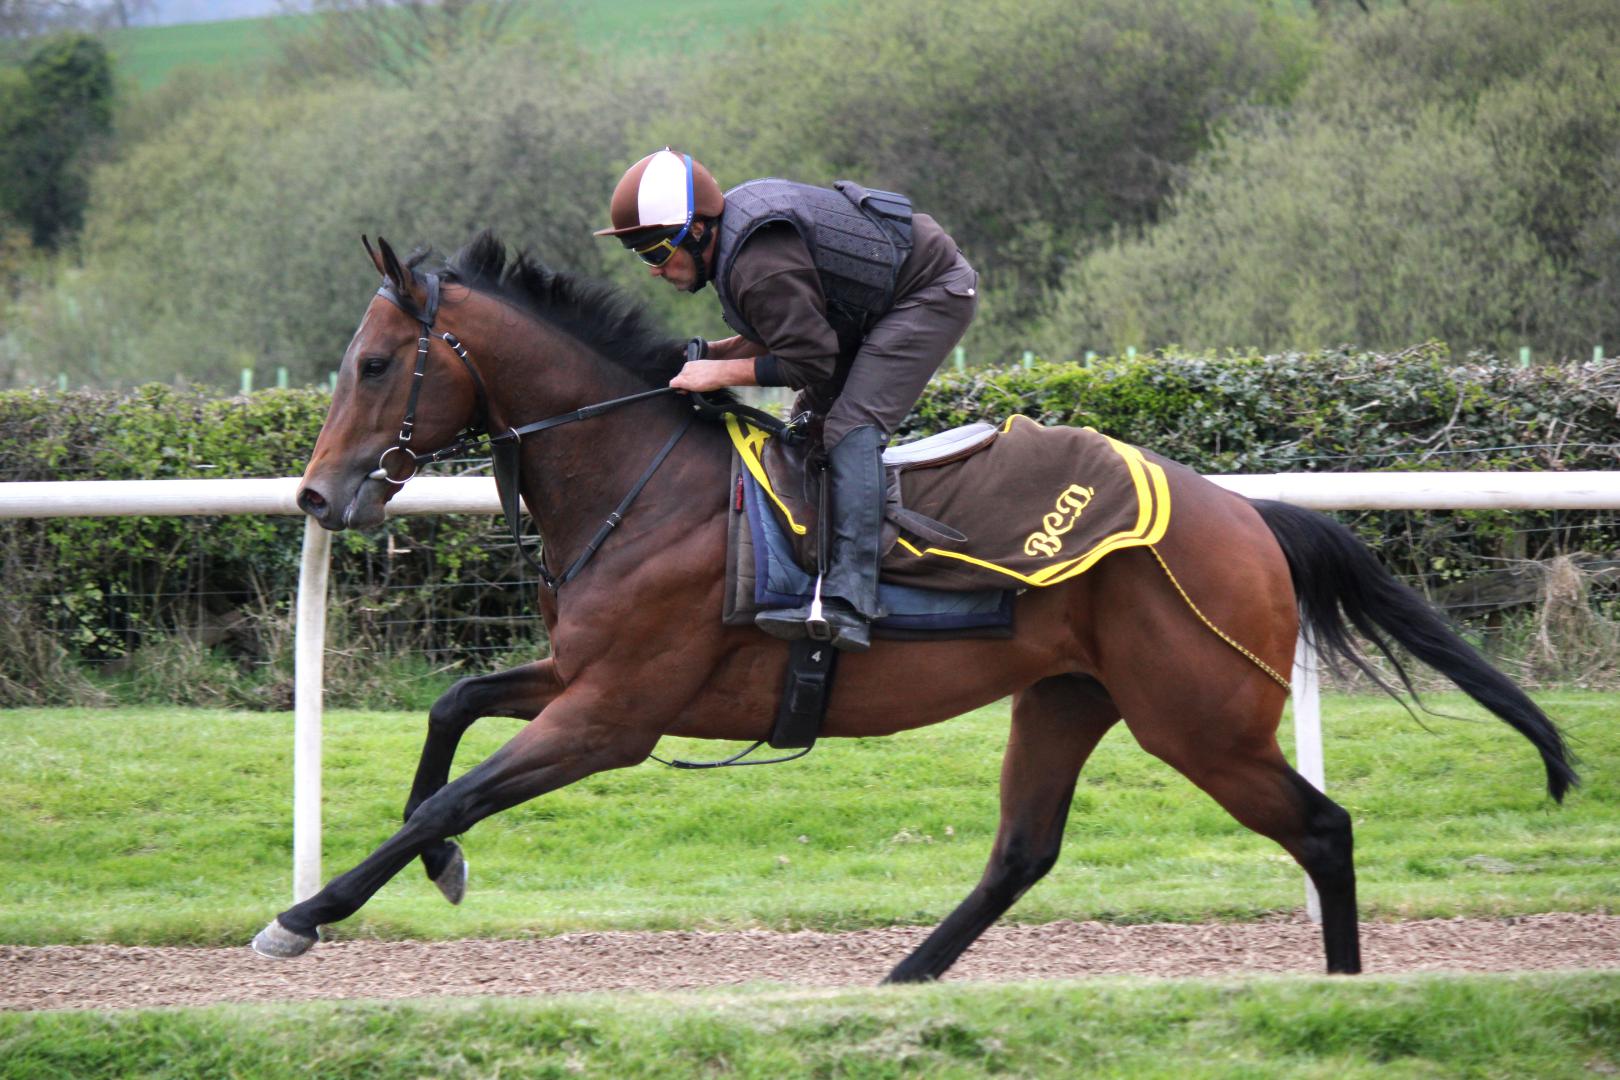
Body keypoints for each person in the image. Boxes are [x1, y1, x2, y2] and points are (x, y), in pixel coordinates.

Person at [596, 148, 978, 651]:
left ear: (697, 231)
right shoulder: (737, 247)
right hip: (866, 308)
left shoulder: (757, 265)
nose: (653, 270)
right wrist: (702, 357)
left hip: (928, 292)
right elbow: (786, 332)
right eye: (641, 255)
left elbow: (810, 362)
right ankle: (815, 574)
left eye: (655, 253)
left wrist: (720, 370)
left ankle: (852, 601)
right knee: (807, 430)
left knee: (849, 428)